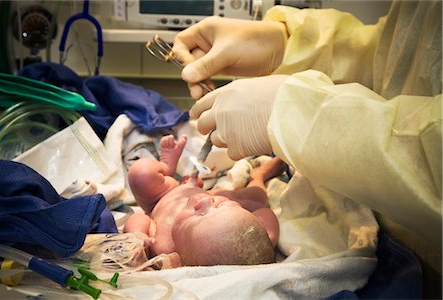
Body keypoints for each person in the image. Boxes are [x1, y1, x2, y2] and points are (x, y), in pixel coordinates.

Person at [171, 0, 441, 295]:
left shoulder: (178, 230)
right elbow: (399, 55)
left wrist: (303, 116)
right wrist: (287, 45)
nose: (203, 201)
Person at [123, 134, 285, 266]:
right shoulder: (211, 201)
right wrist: (266, 238)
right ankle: (259, 177)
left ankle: (166, 167)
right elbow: (265, 213)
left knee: (141, 173)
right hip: (204, 189)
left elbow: (138, 217)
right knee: (258, 199)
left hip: (161, 196)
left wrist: (137, 236)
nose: (204, 201)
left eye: (198, 215)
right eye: (221, 205)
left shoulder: (163, 248)